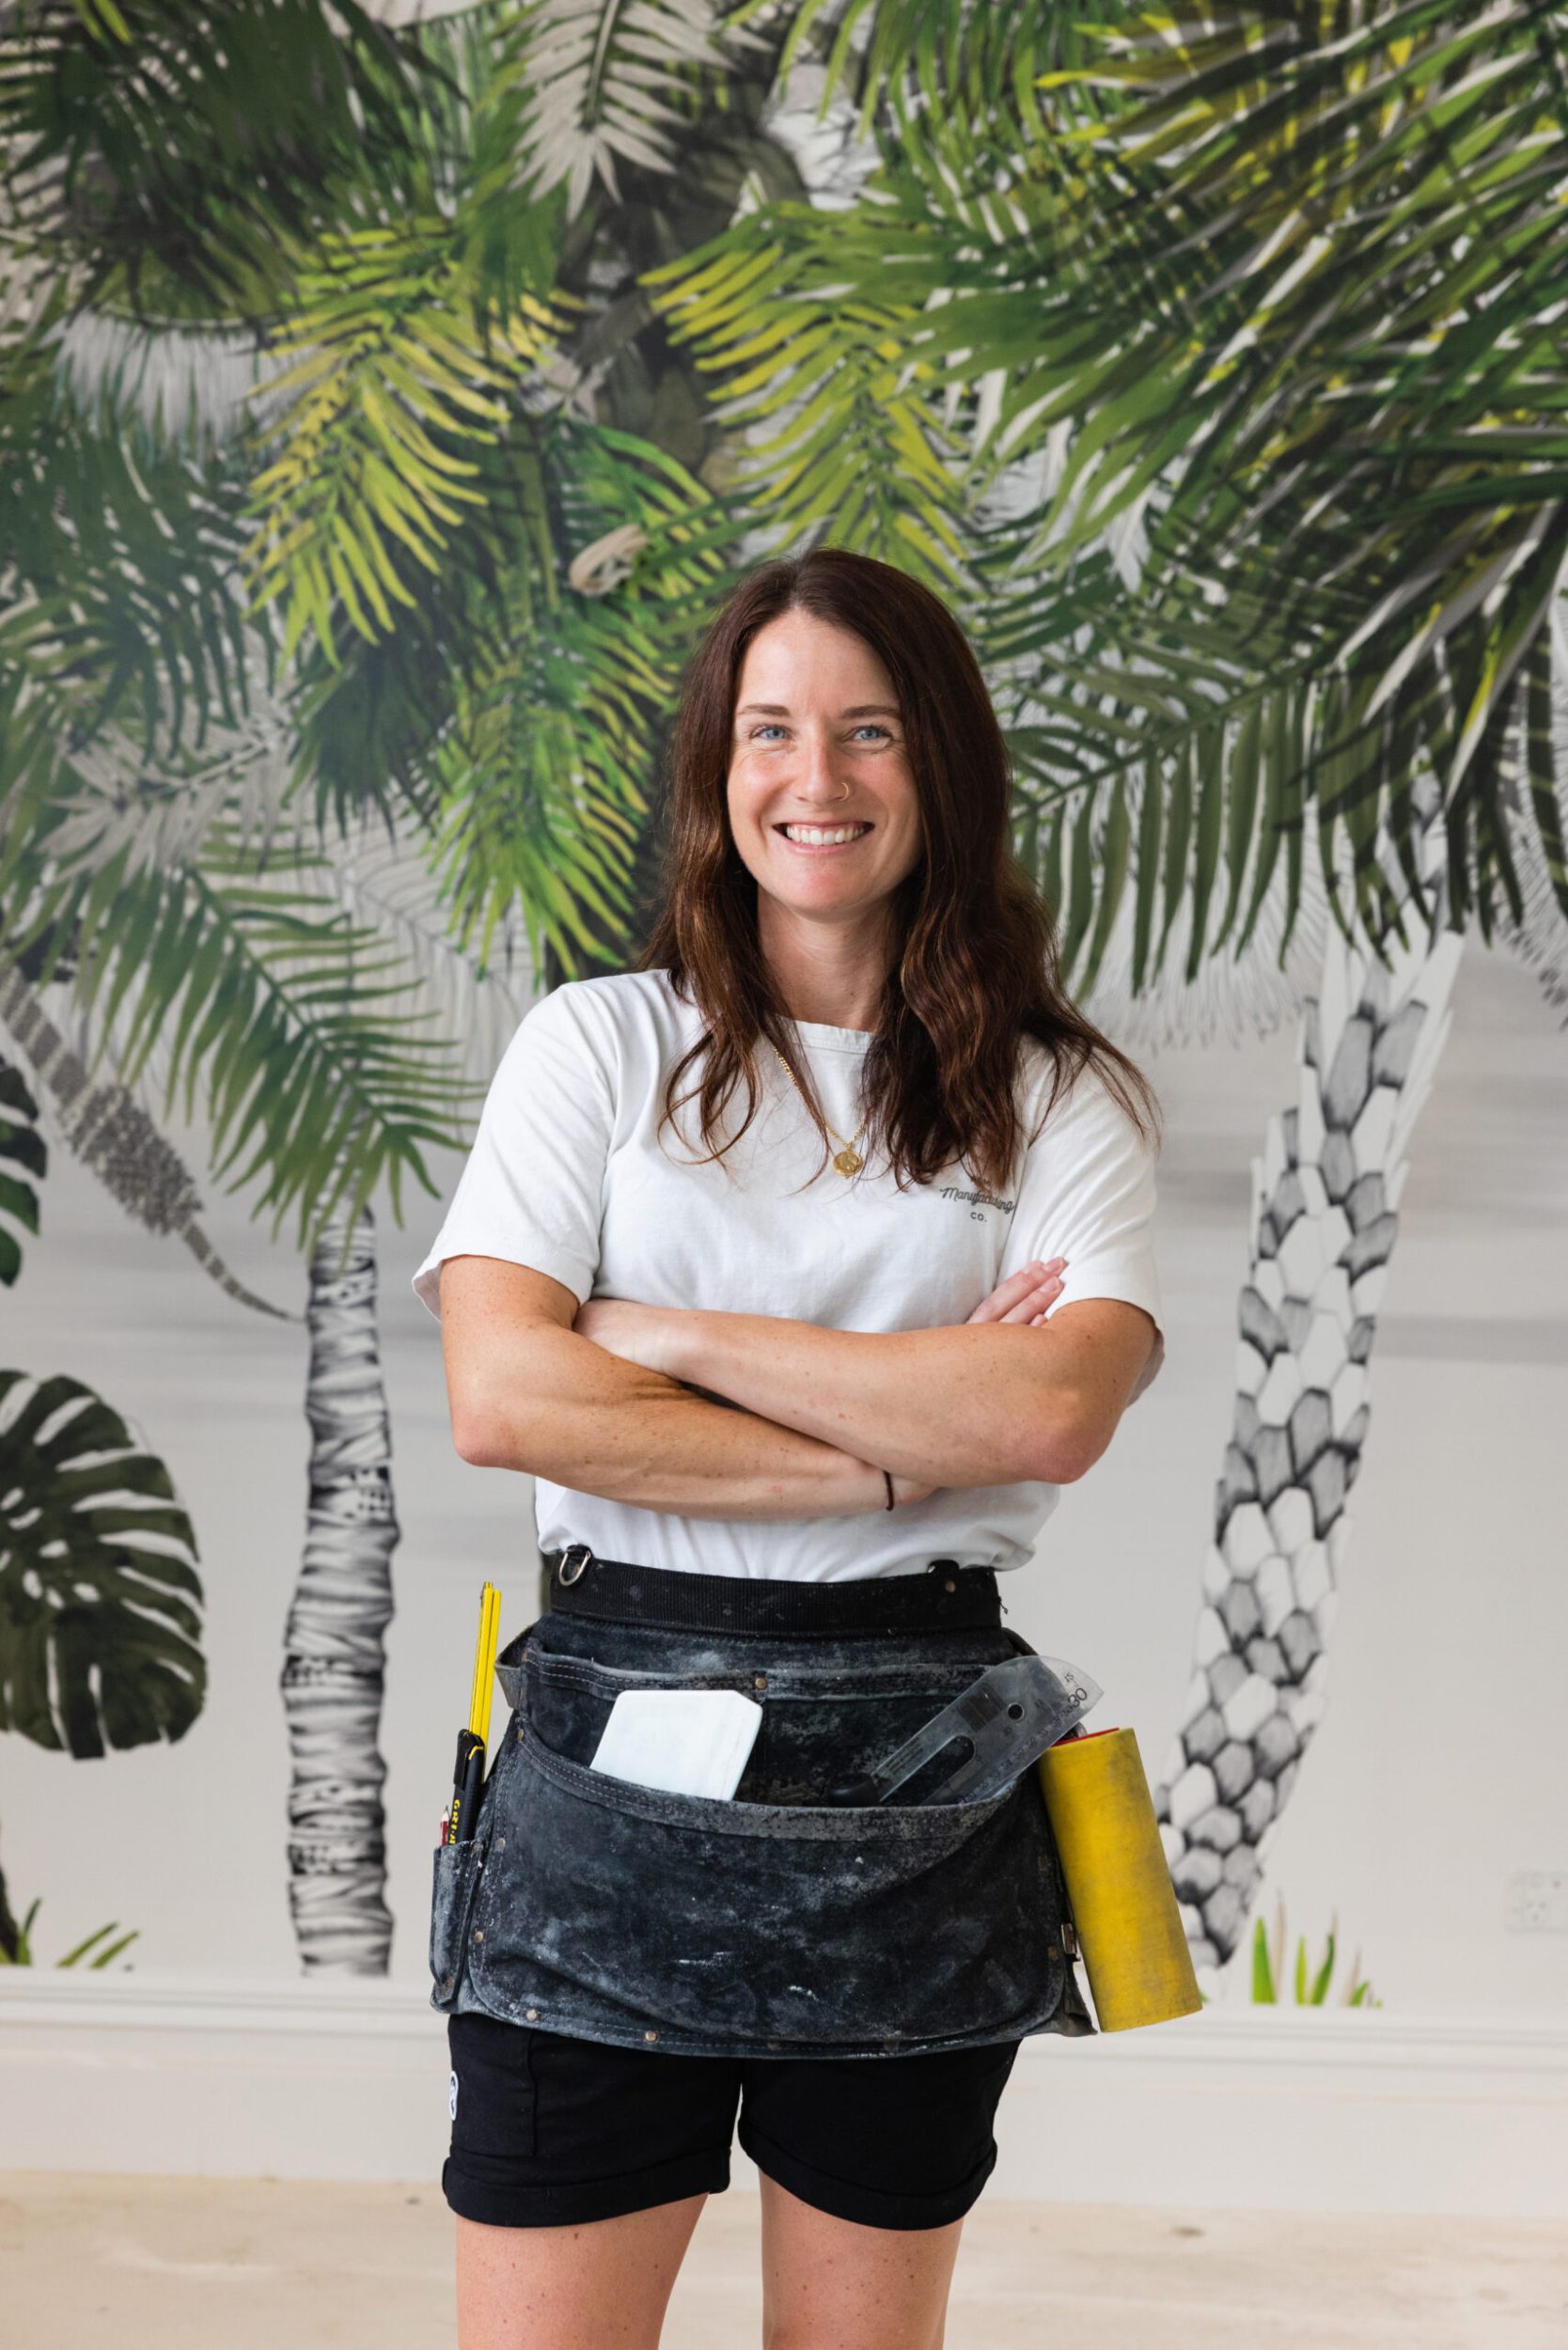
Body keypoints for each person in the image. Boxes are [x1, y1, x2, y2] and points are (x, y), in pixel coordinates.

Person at [413, 547, 1167, 2350]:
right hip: (603, 1780)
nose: (813, 781)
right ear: (715, 766)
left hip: (924, 1783)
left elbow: (1054, 1409)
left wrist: (658, 1338)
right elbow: (505, 1398)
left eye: (868, 732)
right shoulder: (594, 1050)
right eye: (770, 730)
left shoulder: (1058, 1097)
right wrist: (909, 1441)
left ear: (943, 768)